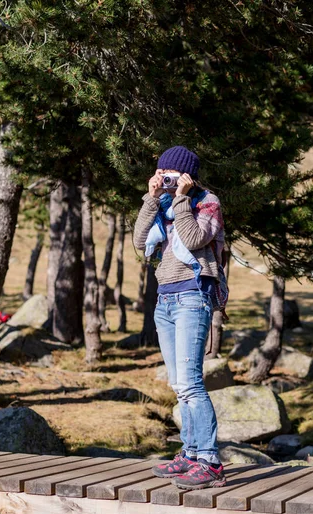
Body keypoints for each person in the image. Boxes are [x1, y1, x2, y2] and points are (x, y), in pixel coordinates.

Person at [133, 145, 226, 490]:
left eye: (173, 175)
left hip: (193, 297)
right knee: (178, 386)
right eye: (163, 174)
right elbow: (138, 242)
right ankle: (188, 454)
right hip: (165, 300)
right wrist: (150, 197)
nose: (168, 181)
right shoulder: (160, 204)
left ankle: (210, 461)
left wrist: (183, 199)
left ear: (188, 176)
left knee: (191, 383)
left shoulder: (207, 202)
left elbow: (195, 237)